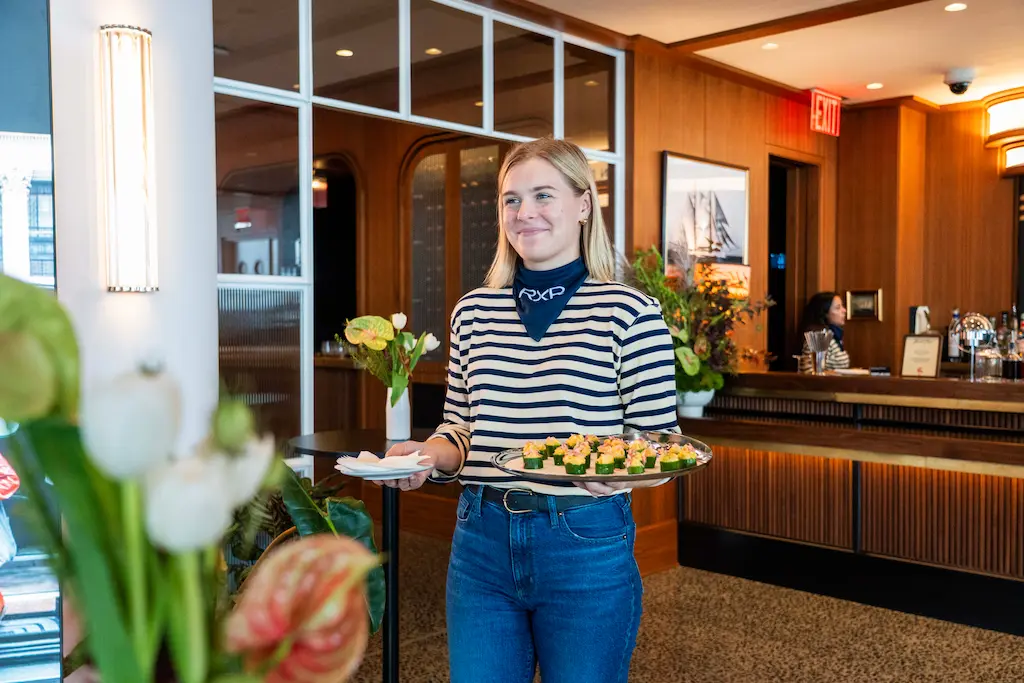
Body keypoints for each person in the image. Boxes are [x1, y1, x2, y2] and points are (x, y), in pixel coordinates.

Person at [378, 138, 678, 683]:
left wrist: (619, 473)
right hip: (481, 542)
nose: (525, 213)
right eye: (510, 200)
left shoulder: (629, 311)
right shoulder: (473, 312)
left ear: (584, 204)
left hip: (584, 542)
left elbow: (658, 439)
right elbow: (462, 427)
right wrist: (427, 455)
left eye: (543, 195)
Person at [799, 291, 850, 373]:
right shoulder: (819, 336)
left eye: (842, 306)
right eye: (838, 308)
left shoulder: (834, 335)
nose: (844, 310)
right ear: (825, 313)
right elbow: (809, 372)